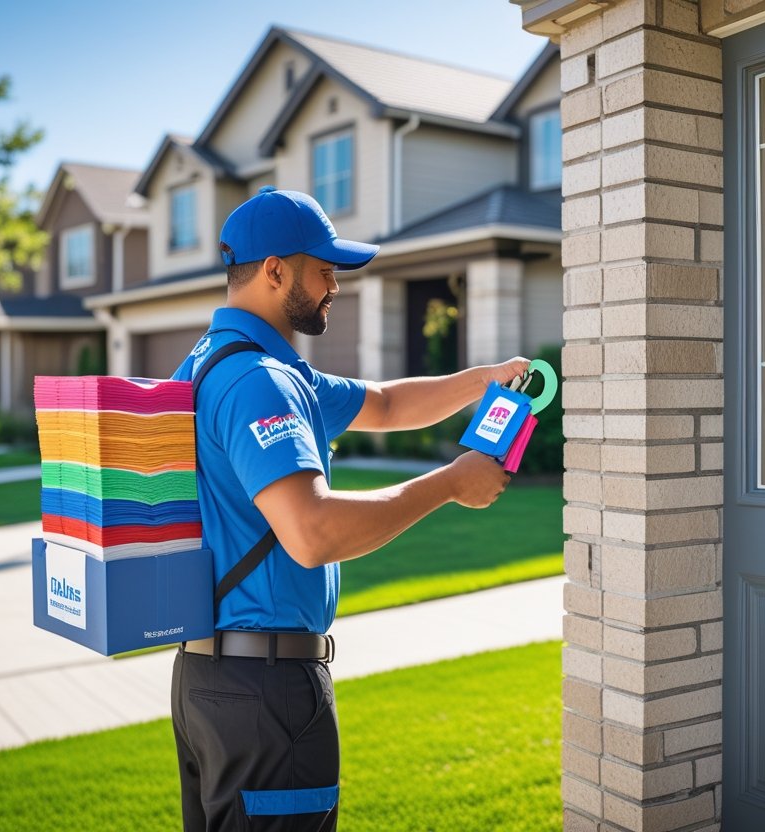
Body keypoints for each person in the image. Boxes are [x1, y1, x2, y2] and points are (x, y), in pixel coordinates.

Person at [169, 186, 528, 832]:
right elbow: (312, 532)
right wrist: (452, 483)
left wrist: (486, 379)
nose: (337, 284)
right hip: (267, 694)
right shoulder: (260, 383)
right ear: (276, 269)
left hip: (207, 682)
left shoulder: (215, 364)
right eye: (325, 269)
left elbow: (386, 404)